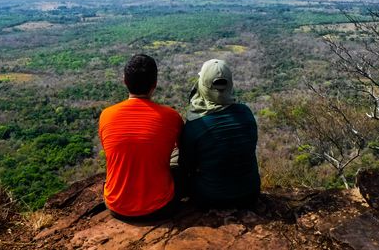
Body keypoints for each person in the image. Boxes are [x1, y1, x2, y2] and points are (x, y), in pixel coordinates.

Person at [98, 54, 183, 221]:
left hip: (116, 207)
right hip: (160, 207)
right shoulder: (171, 116)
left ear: (124, 81)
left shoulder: (106, 115)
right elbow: (185, 154)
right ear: (155, 84)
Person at [179, 59, 260, 209]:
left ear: (202, 85)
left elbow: (186, 165)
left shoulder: (196, 124)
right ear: (230, 85)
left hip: (211, 199)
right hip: (250, 194)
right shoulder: (246, 113)